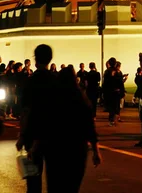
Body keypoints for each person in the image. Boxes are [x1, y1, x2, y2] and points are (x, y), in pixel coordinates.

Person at [16, 44, 101, 193]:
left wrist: (23, 136)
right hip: (52, 139)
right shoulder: (56, 81)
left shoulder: (30, 81)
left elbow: (26, 111)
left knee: (33, 181)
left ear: (35, 59)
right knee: (54, 180)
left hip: (33, 135)